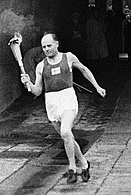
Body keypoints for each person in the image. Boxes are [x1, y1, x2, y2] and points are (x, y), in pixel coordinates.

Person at [21, 33, 106, 183]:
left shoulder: (68, 57)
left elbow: (84, 70)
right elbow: (37, 91)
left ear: (57, 44)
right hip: (52, 102)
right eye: (44, 47)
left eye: (49, 45)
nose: (46, 49)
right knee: (67, 137)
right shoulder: (41, 66)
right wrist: (28, 83)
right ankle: (85, 164)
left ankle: (72, 168)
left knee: (66, 131)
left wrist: (97, 86)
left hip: (68, 98)